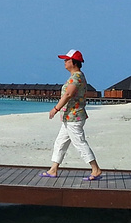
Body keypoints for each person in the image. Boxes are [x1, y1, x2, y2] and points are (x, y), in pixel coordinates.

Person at [40, 49, 103, 181]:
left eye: (67, 60)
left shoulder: (77, 77)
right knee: (60, 143)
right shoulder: (76, 76)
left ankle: (95, 169)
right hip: (69, 117)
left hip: (74, 117)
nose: (64, 62)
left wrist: (55, 109)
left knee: (79, 143)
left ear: (74, 62)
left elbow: (68, 94)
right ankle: (53, 169)